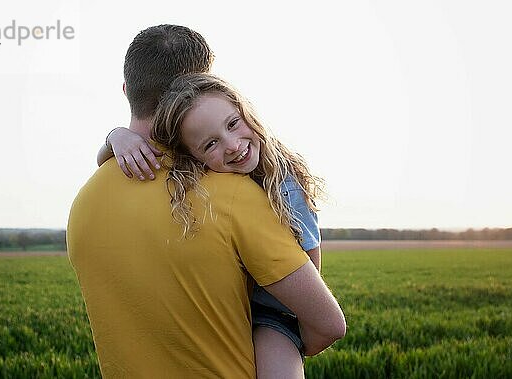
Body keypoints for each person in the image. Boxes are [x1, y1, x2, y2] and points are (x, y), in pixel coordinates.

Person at [68, 24, 346, 378]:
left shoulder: (84, 204)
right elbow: (327, 323)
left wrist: (113, 138)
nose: (229, 145)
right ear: (199, 88)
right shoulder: (231, 194)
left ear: (127, 90)